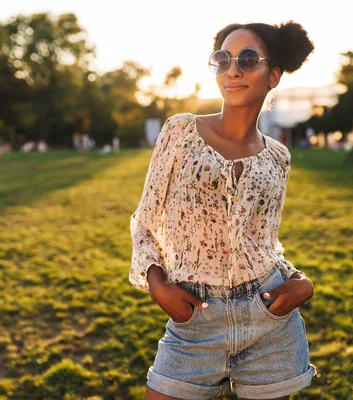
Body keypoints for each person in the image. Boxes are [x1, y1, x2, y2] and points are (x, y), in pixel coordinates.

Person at [130, 21, 316, 399]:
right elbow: (145, 221)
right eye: (222, 59)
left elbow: (266, 242)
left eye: (248, 59)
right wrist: (156, 285)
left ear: (274, 75)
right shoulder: (180, 131)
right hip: (195, 316)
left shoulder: (278, 157)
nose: (233, 69)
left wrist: (300, 281)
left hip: (269, 320)